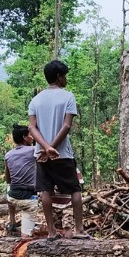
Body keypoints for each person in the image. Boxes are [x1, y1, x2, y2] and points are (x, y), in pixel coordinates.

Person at [28, 59, 90, 240]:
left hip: (40, 154)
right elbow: (66, 126)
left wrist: (45, 148)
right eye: (65, 76)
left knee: (45, 190)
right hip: (62, 153)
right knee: (74, 189)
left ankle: (52, 232)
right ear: (58, 77)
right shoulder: (68, 97)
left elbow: (32, 128)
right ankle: (79, 230)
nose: (66, 80)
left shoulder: (36, 100)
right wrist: (53, 148)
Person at [4, 124, 38, 237]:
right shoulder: (33, 150)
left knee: (10, 186)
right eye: (30, 135)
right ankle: (26, 234)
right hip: (28, 199)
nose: (33, 137)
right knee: (26, 238)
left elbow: (8, 179)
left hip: (12, 197)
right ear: (24, 137)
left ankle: (13, 222)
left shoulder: (8, 155)